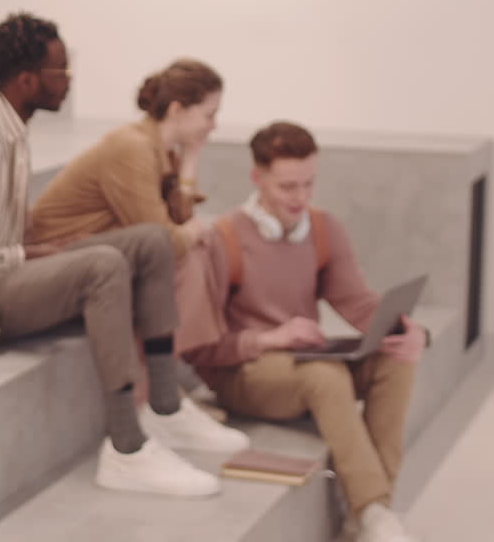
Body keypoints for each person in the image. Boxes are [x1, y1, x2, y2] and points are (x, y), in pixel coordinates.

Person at [0, 12, 244, 500]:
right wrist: (28, 254)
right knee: (103, 265)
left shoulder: (9, 127)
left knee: (150, 241)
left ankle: (166, 410)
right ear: (28, 80)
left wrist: (34, 251)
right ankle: (127, 450)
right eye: (61, 72)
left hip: (0, 275)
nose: (69, 82)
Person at [179, 122, 428, 542]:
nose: (300, 198)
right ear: (257, 178)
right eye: (287, 187)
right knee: (324, 375)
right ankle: (371, 511)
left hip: (307, 361)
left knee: (395, 361)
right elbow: (200, 349)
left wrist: (409, 330)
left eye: (308, 184)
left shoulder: (323, 228)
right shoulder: (224, 239)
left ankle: (373, 513)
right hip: (245, 373)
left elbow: (357, 302)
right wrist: (268, 339)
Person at [29, 58, 224, 260]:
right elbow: (165, 244)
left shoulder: (164, 153)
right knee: (194, 257)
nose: (214, 126)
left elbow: (181, 220)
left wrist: (190, 158)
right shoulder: (132, 148)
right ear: (176, 110)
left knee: (198, 252)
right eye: (209, 115)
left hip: (90, 255)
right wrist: (194, 231)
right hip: (50, 256)